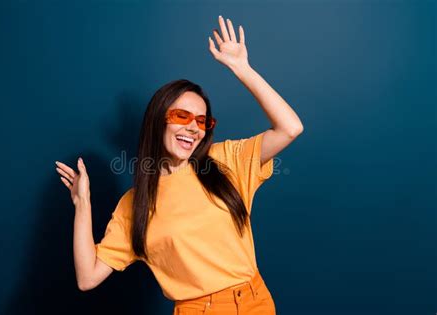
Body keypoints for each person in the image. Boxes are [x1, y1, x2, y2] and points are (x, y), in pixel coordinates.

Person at [55, 15, 303, 315]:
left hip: (256, 301)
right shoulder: (136, 204)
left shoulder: (223, 161)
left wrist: (242, 69)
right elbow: (87, 277)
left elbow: (290, 127)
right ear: (159, 119)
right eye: (181, 116)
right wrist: (83, 205)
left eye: (201, 121)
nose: (193, 128)